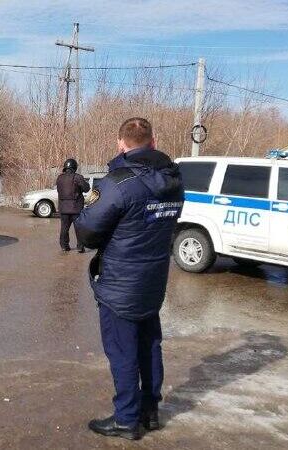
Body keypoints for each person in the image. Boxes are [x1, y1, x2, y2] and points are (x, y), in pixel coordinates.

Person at [75, 118, 184, 441]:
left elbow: (87, 231)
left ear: (120, 143)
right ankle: (150, 411)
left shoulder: (118, 183)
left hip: (121, 283)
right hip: (153, 279)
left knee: (123, 352)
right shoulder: (174, 180)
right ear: (153, 142)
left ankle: (126, 419)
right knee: (150, 345)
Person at [56, 158, 90, 252]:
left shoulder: (60, 178)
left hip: (63, 208)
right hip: (76, 208)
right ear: (74, 167)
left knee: (64, 228)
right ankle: (80, 247)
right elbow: (86, 188)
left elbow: (59, 191)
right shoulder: (78, 177)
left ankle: (64, 246)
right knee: (79, 228)